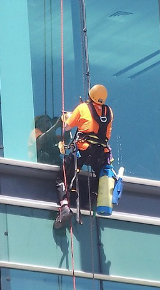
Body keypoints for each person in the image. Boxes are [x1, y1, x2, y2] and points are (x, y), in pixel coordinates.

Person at [54, 84, 114, 229]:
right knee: (101, 175)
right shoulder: (109, 111)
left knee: (62, 176)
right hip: (101, 152)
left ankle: (64, 207)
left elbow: (67, 127)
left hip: (84, 149)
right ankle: (94, 197)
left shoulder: (82, 108)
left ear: (90, 96)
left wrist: (67, 118)